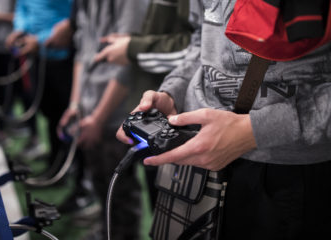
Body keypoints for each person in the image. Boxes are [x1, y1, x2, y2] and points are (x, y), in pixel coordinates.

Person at [117, 0, 331, 239]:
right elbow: (202, 36)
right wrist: (172, 91)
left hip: (286, 171)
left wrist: (255, 131)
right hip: (196, 150)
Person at [56, 0, 149, 238]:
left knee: (120, 194)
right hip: (90, 107)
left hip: (116, 112)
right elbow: (82, 51)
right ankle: (105, 229)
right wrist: (76, 104)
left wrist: (98, 118)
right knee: (101, 183)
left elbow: (130, 61)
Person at [93, 0, 193, 209]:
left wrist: (133, 49)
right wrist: (132, 44)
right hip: (157, 106)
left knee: (176, 209)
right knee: (159, 210)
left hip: (180, 116)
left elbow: (200, 47)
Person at [5, 0, 74, 166]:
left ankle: (71, 167)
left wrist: (41, 40)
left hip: (63, 57)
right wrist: (20, 30)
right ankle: (56, 161)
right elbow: (23, 7)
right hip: (37, 56)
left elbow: (75, 19)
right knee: (50, 113)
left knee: (65, 115)